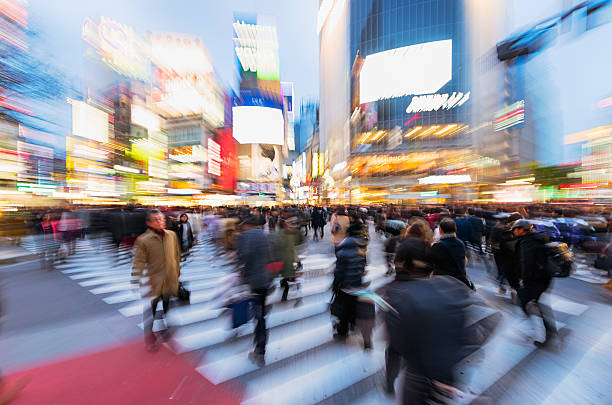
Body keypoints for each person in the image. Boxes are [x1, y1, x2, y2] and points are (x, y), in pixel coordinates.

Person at [383, 236, 496, 401]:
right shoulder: (450, 284)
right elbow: (491, 319)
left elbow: (397, 343)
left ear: (402, 265)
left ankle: (389, 384)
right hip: (450, 376)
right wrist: (461, 350)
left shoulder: (397, 295)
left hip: (418, 378)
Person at [131, 210, 181, 352]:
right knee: (151, 311)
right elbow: (139, 261)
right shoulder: (144, 240)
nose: (160, 221)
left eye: (161, 219)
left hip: (170, 280)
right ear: (149, 223)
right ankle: (150, 338)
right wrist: (136, 278)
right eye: (156, 219)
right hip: (155, 282)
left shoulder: (171, 235)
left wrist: (177, 274)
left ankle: (165, 331)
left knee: (168, 307)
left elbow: (176, 256)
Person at [512, 219, 558, 348]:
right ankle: (549, 330)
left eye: (515, 229)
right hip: (545, 277)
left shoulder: (527, 241)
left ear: (521, 229)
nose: (514, 232)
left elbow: (527, 262)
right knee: (536, 303)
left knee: (526, 300)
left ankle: (548, 332)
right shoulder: (538, 237)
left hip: (535, 279)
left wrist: (524, 278)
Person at [331, 214, 371, 349]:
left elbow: (339, 270)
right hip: (357, 283)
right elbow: (363, 266)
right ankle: (357, 327)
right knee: (354, 306)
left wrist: (335, 284)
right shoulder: (362, 248)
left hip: (345, 285)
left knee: (344, 309)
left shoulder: (342, 249)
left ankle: (343, 331)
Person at [237, 216, 272, 365]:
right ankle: (260, 343)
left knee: (258, 316)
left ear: (247, 225)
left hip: (253, 281)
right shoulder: (264, 235)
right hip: (264, 279)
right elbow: (270, 256)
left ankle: (260, 347)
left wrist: (243, 277)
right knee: (261, 313)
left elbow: (243, 257)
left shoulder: (245, 236)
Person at [428, 218, 474, 290]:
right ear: (455, 229)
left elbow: (431, 263)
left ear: (440, 230)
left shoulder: (437, 246)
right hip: (459, 281)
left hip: (443, 282)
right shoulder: (460, 244)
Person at [277, 216, 300, 302]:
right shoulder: (282, 234)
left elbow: (297, 247)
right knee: (286, 277)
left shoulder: (294, 234)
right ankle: (286, 291)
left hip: (291, 260)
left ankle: (289, 293)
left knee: (290, 277)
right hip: (285, 260)